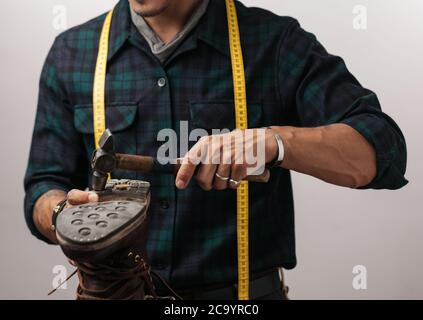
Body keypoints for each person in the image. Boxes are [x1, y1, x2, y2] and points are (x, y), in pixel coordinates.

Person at [24, 0, 408, 300]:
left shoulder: (273, 43)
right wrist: (64, 215)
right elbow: (43, 186)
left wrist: (272, 142)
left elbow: (381, 151)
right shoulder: (72, 53)